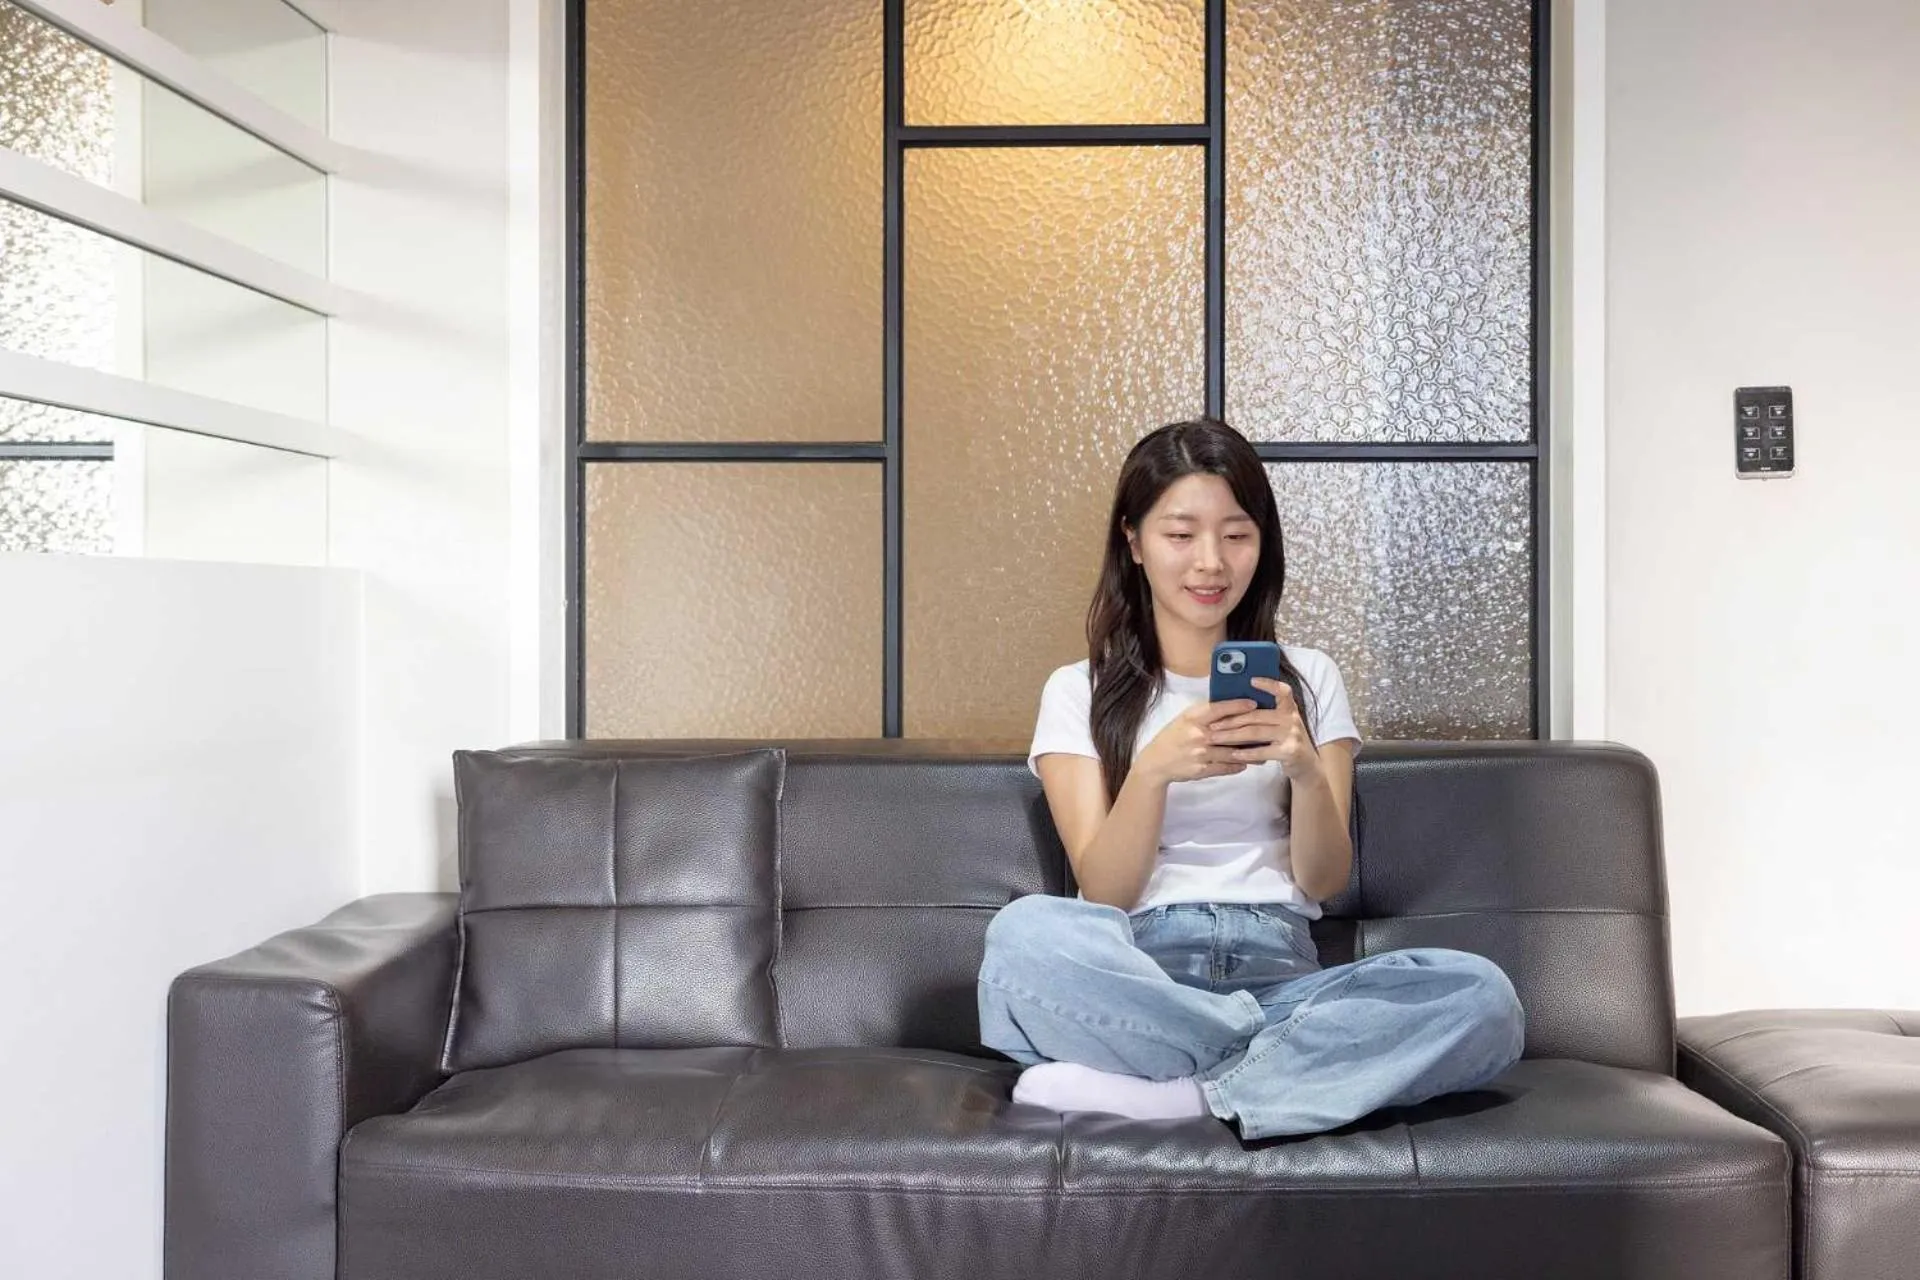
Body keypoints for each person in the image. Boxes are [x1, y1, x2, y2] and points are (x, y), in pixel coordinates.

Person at [976, 417, 1525, 1140]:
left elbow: (1324, 879)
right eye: (1181, 535)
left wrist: (1302, 764)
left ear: (1262, 544)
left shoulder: (1311, 679)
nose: (1211, 562)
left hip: (1283, 978)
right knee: (1024, 939)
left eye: (1236, 535)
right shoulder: (1079, 691)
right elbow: (1105, 890)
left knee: (1484, 1000)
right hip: (1142, 972)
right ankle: (1264, 1069)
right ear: (1133, 542)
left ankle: (1185, 1093)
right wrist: (1150, 776)